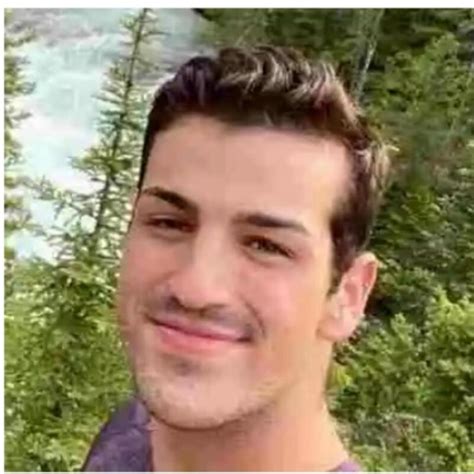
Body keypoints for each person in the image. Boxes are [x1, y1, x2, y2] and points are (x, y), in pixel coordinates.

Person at [82, 45, 390, 472]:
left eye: (266, 245)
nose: (196, 288)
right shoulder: (129, 436)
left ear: (349, 296)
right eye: (169, 223)